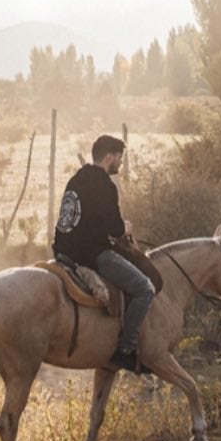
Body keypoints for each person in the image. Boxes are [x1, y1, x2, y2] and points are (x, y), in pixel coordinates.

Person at [53, 135, 155, 375]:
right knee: (145, 289)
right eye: (119, 158)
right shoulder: (104, 185)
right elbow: (115, 228)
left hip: (63, 250)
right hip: (90, 255)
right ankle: (126, 350)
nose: (120, 163)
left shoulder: (76, 179)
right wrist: (126, 228)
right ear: (109, 156)